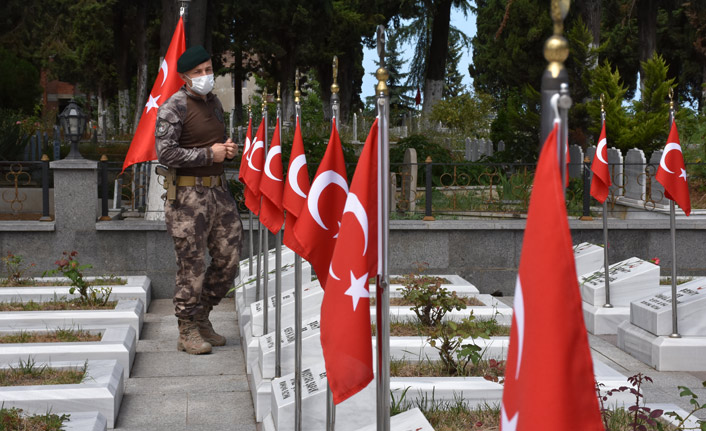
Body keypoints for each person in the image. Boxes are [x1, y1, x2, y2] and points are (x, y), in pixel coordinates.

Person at [155, 45, 243, 354]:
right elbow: (165, 152)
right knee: (191, 265)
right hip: (188, 197)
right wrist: (210, 153)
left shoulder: (215, 103)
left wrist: (226, 149)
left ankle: (203, 315)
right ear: (184, 77)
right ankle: (187, 328)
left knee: (229, 259)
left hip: (218, 192)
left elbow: (212, 143)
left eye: (208, 69)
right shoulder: (174, 107)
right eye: (198, 72)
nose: (206, 76)